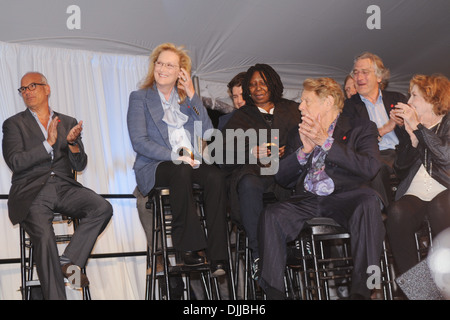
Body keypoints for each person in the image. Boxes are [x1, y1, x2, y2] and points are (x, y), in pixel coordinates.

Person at [258, 77, 385, 300]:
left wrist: (327, 142)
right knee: (272, 214)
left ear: (327, 102)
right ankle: (273, 293)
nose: (300, 106)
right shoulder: (298, 133)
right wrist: (303, 152)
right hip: (307, 199)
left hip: (346, 196)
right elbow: (282, 178)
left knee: (369, 202)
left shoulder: (361, 127)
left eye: (306, 101)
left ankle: (364, 290)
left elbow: (370, 167)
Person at [2, 72, 113, 300]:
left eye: (32, 86)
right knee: (44, 238)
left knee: (102, 207)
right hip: (32, 191)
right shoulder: (14, 124)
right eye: (23, 89)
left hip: (64, 187)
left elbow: (80, 164)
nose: (28, 92)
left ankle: (69, 260)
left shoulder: (68, 122)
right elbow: (15, 161)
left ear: (47, 88)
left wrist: (72, 143)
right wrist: (47, 144)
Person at [127, 43, 228, 276]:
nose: (162, 68)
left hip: (188, 161)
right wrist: (176, 155)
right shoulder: (139, 98)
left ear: (180, 72)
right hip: (156, 165)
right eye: (159, 63)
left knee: (215, 176)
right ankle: (189, 248)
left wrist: (192, 94)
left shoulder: (186, 101)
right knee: (179, 169)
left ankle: (218, 257)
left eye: (169, 65)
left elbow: (206, 132)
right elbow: (139, 142)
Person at [221, 64, 301, 277]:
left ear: (273, 83)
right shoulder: (241, 116)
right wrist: (251, 151)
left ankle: (296, 244)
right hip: (257, 173)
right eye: (252, 84)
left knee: (304, 178)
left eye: (262, 82)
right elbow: (222, 155)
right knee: (248, 183)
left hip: (289, 170)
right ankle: (259, 254)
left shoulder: (292, 109)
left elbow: (307, 138)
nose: (257, 88)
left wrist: (290, 150)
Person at [386, 74, 450, 276]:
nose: (409, 102)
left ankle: (445, 280)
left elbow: (446, 157)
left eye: (414, 96)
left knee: (439, 206)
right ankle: (418, 290)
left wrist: (420, 129)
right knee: (397, 212)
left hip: (445, 190)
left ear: (432, 99)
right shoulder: (411, 128)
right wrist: (412, 141)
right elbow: (400, 169)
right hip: (417, 194)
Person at [343, 52, 409, 208]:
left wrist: (402, 124)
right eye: (356, 72)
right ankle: (387, 217)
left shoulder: (397, 98)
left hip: (402, 153)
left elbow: (416, 130)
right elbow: (352, 142)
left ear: (379, 77)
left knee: (425, 162)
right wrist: (385, 129)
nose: (358, 77)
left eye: (364, 72)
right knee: (374, 168)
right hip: (374, 155)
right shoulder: (349, 107)